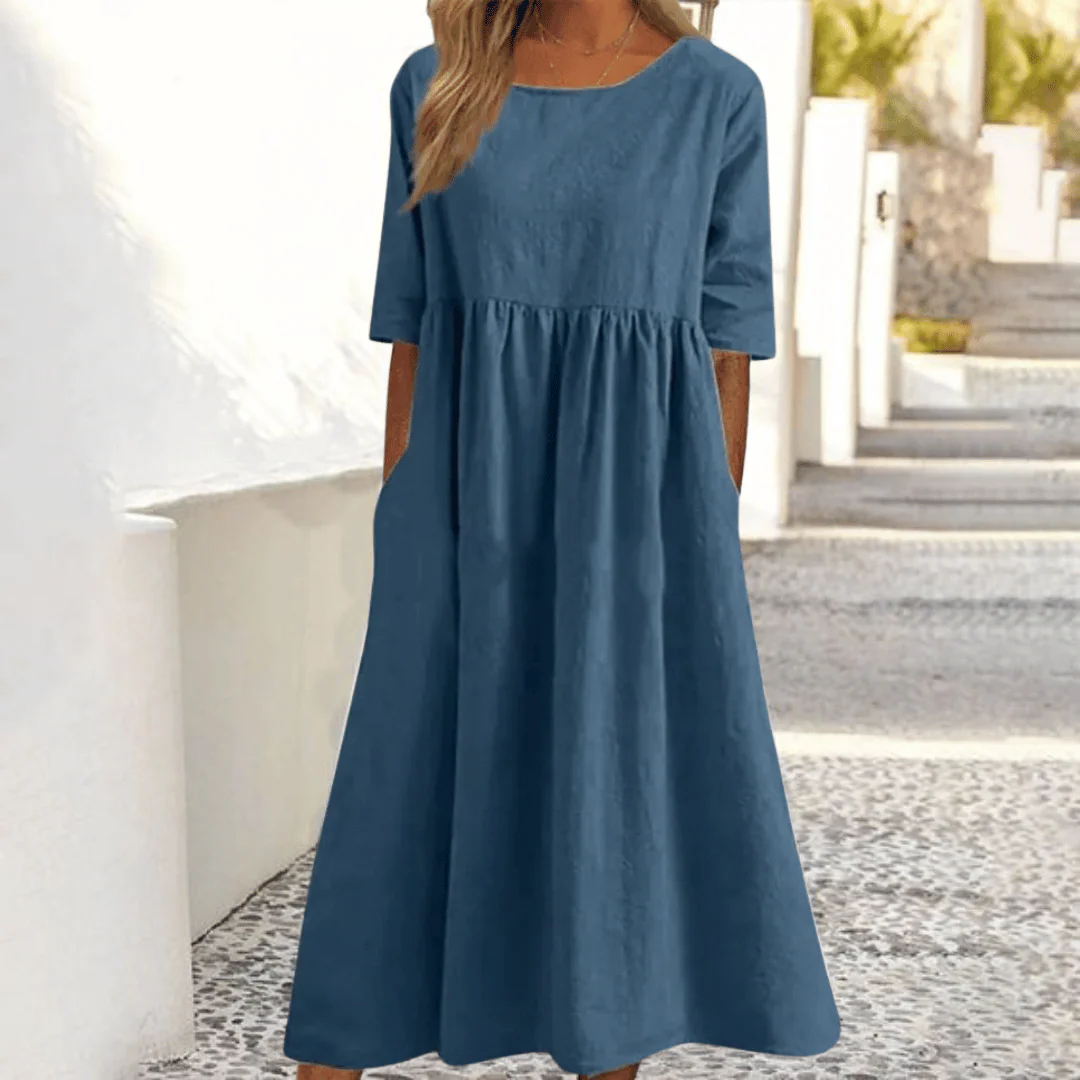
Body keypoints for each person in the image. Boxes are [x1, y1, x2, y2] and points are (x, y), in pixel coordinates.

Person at [282, 2, 842, 1078]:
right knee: (398, 790)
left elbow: (728, 350)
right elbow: (412, 332)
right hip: (456, 506)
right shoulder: (436, 81)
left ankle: (600, 1039)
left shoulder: (715, 97)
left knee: (608, 790)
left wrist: (698, 546)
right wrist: (402, 520)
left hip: (637, 519)